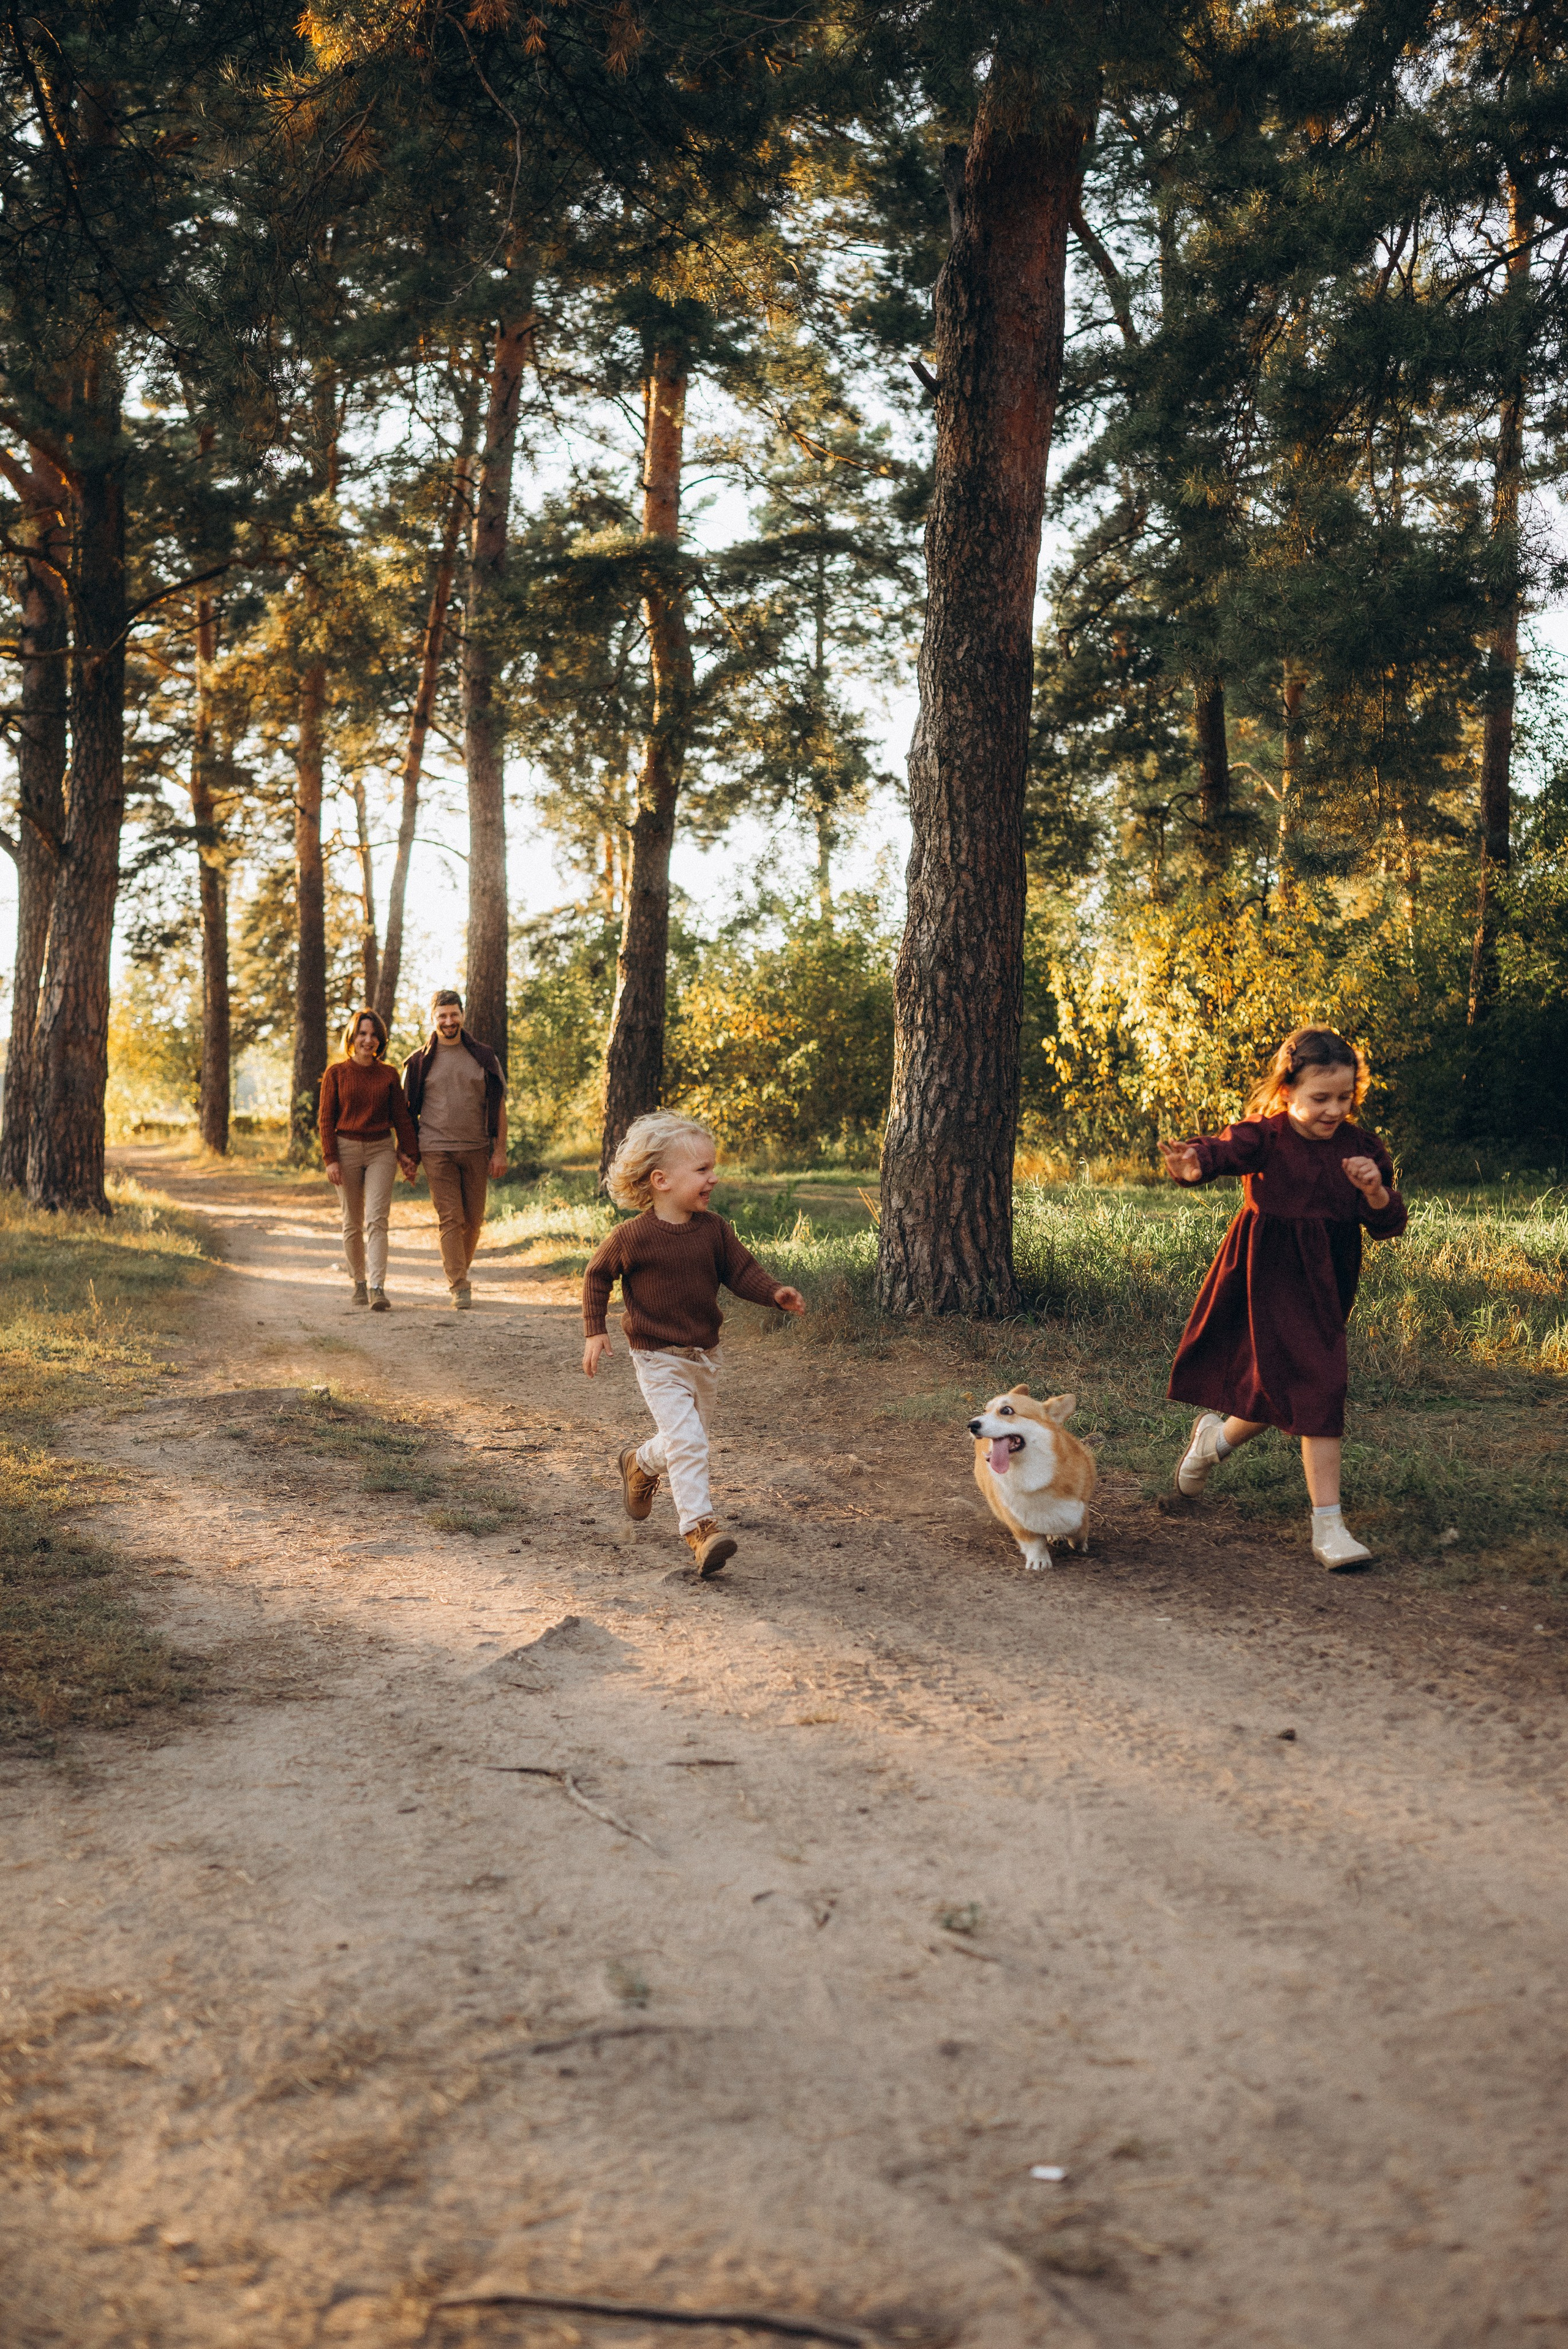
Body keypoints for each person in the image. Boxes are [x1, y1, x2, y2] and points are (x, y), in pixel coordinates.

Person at [1159, 1026, 1408, 1570]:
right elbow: (1223, 1150)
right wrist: (1196, 1162)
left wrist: (1374, 1190)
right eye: (1320, 1098)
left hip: (1324, 1281)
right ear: (1286, 1091)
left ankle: (1212, 1442)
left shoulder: (1362, 1149)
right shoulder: (1267, 1136)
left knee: (1287, 1388)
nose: (1333, 1109)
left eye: (1345, 1097)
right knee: (1319, 1384)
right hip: (1263, 1276)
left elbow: (1389, 1222)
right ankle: (1330, 1527)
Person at [582, 1112, 805, 1578]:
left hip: (703, 1355)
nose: (714, 1177)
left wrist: (773, 1293)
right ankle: (699, 1530)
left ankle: (640, 1464)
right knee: (689, 1440)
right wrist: (595, 1328)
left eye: (712, 1168)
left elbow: (741, 1271)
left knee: (687, 1439)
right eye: (702, 1170)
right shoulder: (632, 1236)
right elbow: (597, 1274)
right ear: (661, 1180)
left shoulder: (714, 1229)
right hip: (656, 1355)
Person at [401, 989, 507, 1310]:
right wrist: (407, 1156)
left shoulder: (484, 1057)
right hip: (436, 1149)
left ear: (462, 1015)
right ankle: (459, 1285)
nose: (449, 1021)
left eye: (453, 1014)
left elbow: (499, 1105)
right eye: (442, 1016)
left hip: (476, 1147)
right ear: (433, 1020)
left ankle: (459, 1270)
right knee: (451, 1217)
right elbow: (406, 1113)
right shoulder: (419, 1062)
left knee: (473, 1221)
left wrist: (499, 1150)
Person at [319, 1009, 419, 1310]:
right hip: (345, 1148)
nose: (368, 1040)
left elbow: (401, 1118)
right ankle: (359, 1283)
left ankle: (378, 1287)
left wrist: (410, 1154)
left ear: (381, 1040)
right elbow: (325, 1120)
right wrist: (331, 1159)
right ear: (352, 1037)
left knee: (377, 1220)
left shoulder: (388, 1074)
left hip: (380, 1151)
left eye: (374, 1035)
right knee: (352, 1221)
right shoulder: (335, 1074)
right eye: (362, 1034)